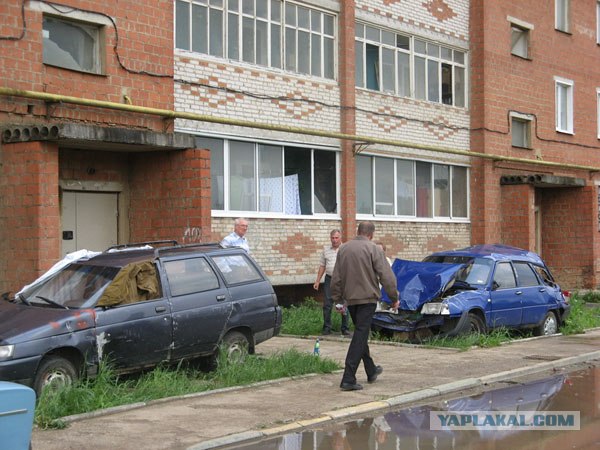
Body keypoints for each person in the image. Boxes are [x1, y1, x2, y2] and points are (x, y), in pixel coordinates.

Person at [331, 221, 399, 391]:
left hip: (350, 300)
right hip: (367, 299)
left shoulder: (344, 249)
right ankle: (348, 378)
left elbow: (336, 277)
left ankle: (371, 370)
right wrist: (394, 297)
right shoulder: (373, 249)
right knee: (360, 335)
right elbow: (386, 276)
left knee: (361, 334)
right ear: (371, 234)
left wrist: (338, 300)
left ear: (358, 231)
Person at [313, 229, 350, 336]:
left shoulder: (345, 249)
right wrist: (317, 281)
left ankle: (345, 328)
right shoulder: (326, 250)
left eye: (336, 238)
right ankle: (327, 328)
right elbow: (322, 266)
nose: (334, 240)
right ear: (330, 238)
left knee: (343, 304)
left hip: (342, 280)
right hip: (329, 279)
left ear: (340, 238)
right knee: (327, 304)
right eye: (332, 238)